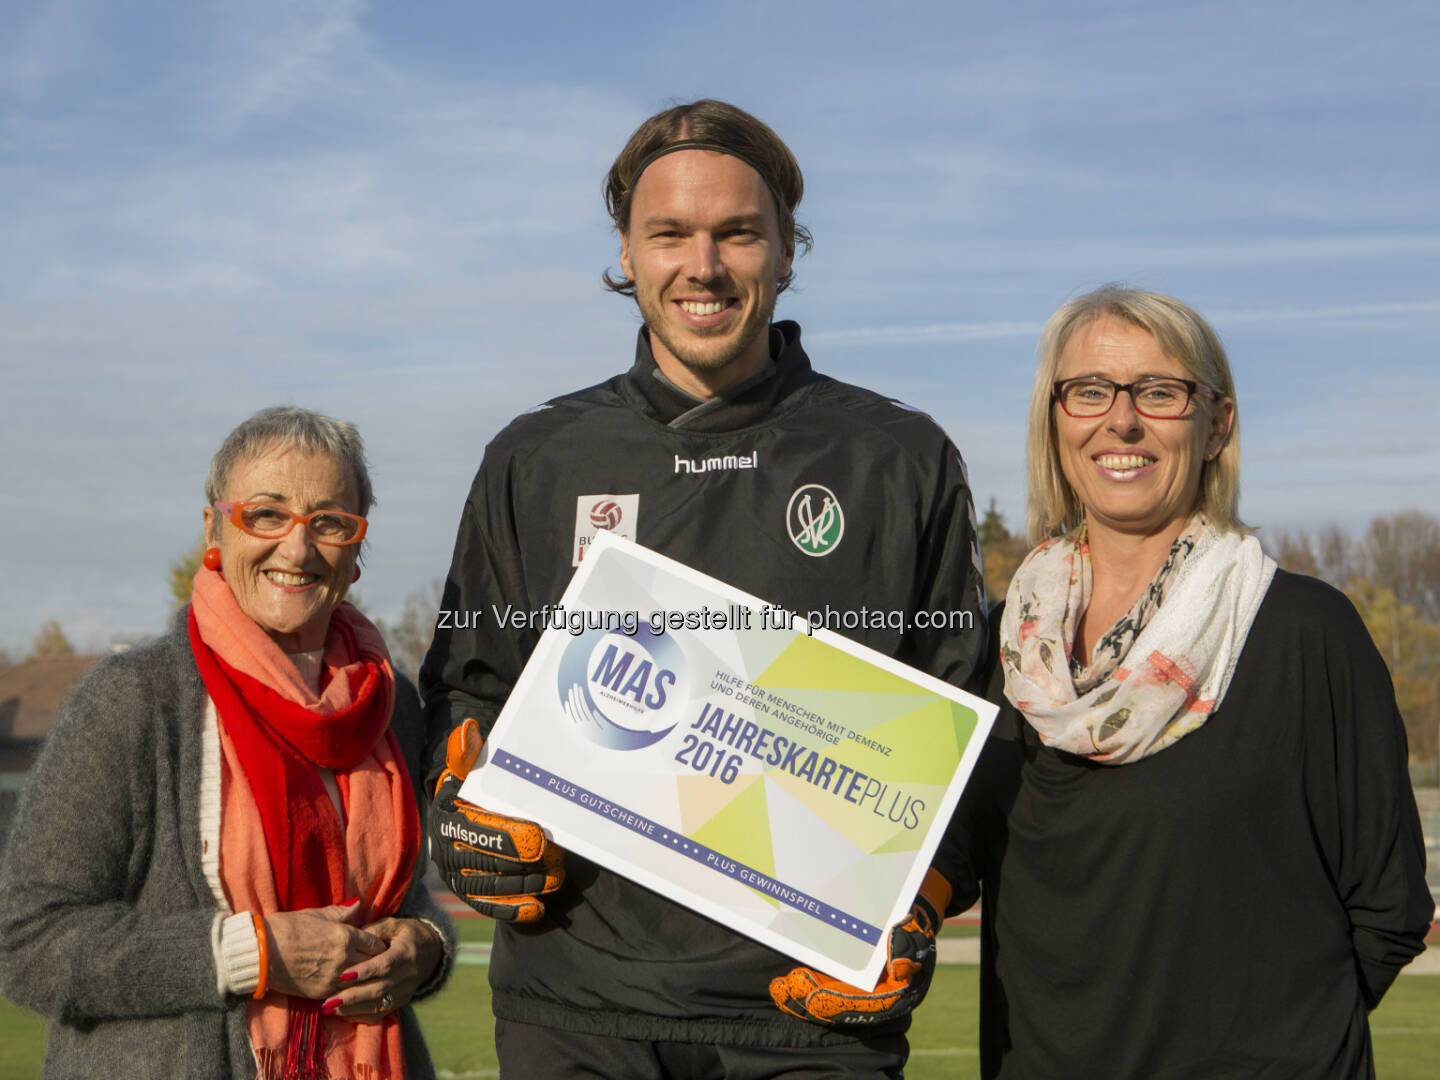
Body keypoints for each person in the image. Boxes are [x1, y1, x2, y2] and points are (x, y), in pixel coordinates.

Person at [421, 99, 988, 1077]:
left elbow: (969, 724)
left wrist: (924, 896)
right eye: (670, 234)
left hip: (809, 1018)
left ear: (785, 250)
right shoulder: (534, 459)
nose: (705, 264)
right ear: (629, 256)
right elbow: (468, 692)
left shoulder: (898, 459)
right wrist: (460, 811)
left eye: (738, 233)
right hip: (574, 1005)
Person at [957, 286, 1432, 1077]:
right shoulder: (1005, 648)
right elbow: (947, 855)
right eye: (1089, 391)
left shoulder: (1305, 633)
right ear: (1056, 420)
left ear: (1218, 425)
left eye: (1161, 391)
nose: (1122, 420)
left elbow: (1389, 910)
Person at [0, 407, 454, 1080]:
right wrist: (251, 950)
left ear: (356, 551)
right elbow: (28, 942)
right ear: (213, 528)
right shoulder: (136, 699)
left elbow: (401, 902)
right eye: (265, 515)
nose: (296, 550)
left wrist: (426, 949)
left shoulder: (392, 704)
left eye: (329, 522)